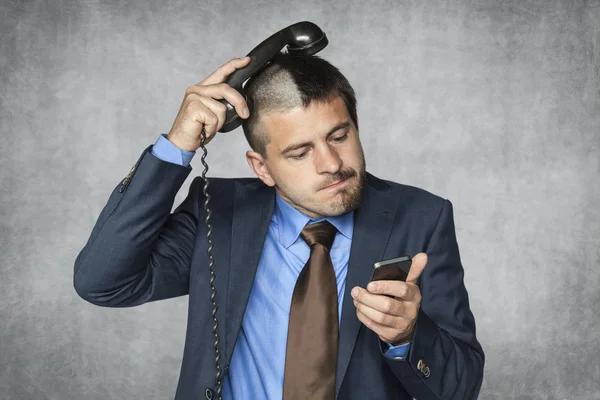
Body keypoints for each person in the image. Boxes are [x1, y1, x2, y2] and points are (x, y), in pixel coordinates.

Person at [73, 53, 484, 400]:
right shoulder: (216, 212)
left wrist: (408, 334)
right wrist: (177, 145)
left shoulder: (423, 216)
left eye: (339, 136)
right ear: (262, 167)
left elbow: (462, 386)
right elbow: (103, 281)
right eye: (300, 153)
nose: (331, 164)